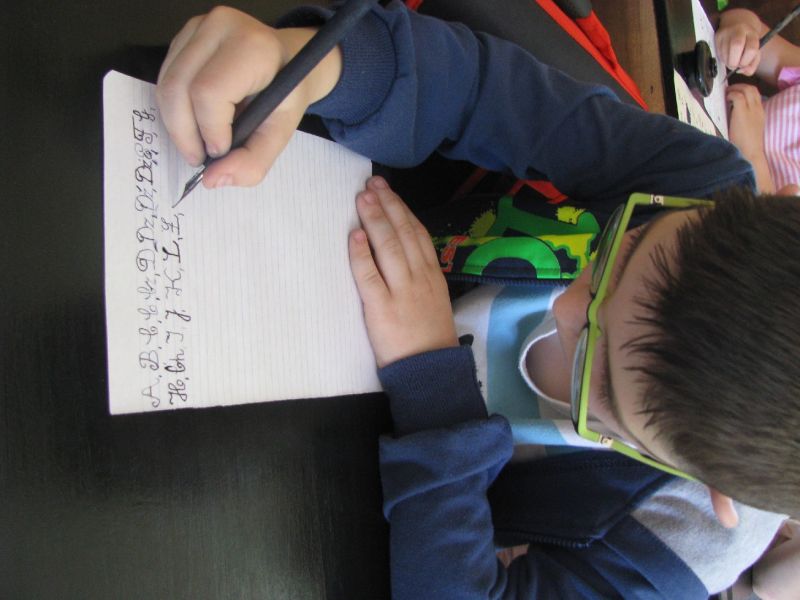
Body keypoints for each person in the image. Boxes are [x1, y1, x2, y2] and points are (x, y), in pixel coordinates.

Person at [155, 3, 799, 598]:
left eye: (596, 376)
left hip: (328, 490)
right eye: (622, 250)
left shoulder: (688, 541)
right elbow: (490, 93)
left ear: (716, 490)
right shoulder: (702, 185)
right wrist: (312, 66)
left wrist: (434, 386)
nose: (565, 307)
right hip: (308, 257)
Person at [715, 7, 800, 195]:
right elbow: (752, 27)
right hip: (691, 105)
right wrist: (741, 29)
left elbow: (766, 213)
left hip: (704, 191)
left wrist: (752, 152)